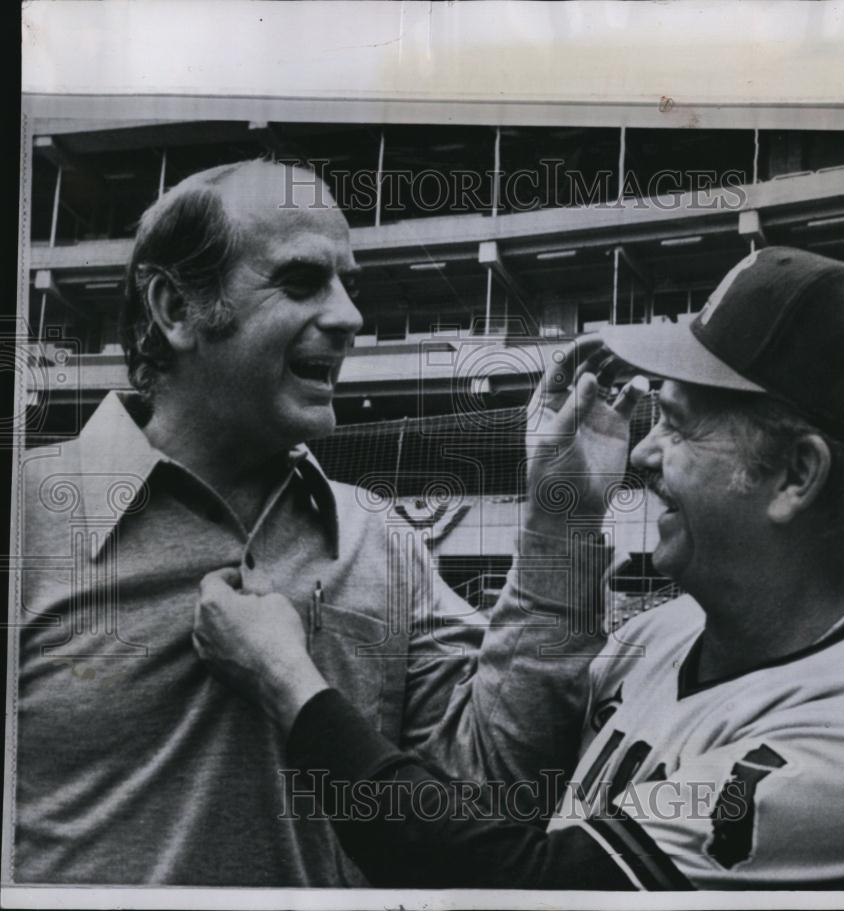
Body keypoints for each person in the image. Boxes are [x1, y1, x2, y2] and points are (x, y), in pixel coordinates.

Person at [193, 246, 844, 890]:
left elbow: (514, 885)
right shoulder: (663, 633)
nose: (642, 452)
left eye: (678, 423)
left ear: (795, 475)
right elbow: (497, 790)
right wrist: (564, 509)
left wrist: (288, 684)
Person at [13, 159, 643, 885]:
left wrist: (564, 521)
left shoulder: (384, 543)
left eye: (347, 284)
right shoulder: (24, 517)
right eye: (302, 282)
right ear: (177, 308)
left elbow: (495, 793)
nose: (350, 316)